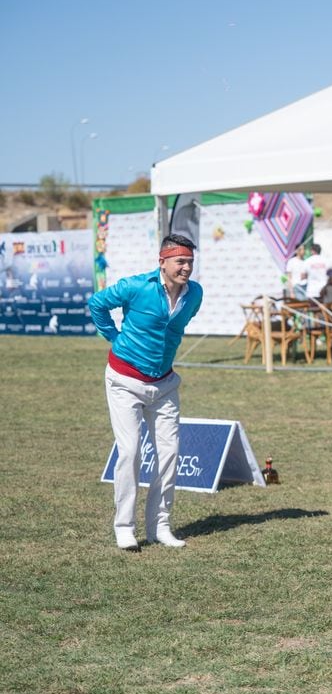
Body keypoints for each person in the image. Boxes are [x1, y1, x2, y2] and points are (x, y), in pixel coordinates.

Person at [88, 234, 203, 552]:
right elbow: (98, 304)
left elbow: (175, 330)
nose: (186, 268)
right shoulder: (136, 286)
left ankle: (160, 526)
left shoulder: (195, 294)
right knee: (130, 452)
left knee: (169, 453)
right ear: (162, 261)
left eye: (190, 262)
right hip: (124, 381)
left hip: (165, 384)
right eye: (180, 261)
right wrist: (115, 338)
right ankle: (124, 527)